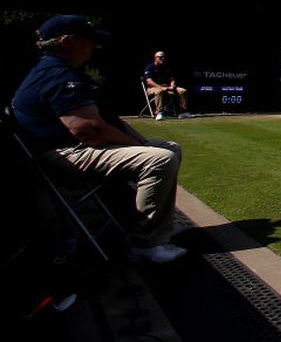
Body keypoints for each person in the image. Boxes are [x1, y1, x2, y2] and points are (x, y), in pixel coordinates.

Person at [10, 16, 186, 263]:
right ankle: (145, 243)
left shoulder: (67, 71)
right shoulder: (56, 75)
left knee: (170, 148)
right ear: (67, 42)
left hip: (77, 146)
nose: (93, 47)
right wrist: (136, 147)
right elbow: (88, 130)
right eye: (88, 41)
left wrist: (141, 143)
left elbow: (110, 120)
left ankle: (160, 225)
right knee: (160, 159)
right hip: (64, 153)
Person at [143, 51, 193, 120]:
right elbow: (149, 81)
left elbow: (172, 79)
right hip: (153, 88)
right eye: (160, 57)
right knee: (159, 91)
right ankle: (159, 113)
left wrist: (173, 85)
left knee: (183, 91)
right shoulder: (149, 67)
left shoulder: (166, 67)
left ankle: (183, 112)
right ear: (155, 58)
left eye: (163, 57)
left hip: (167, 87)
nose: (162, 58)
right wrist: (161, 87)